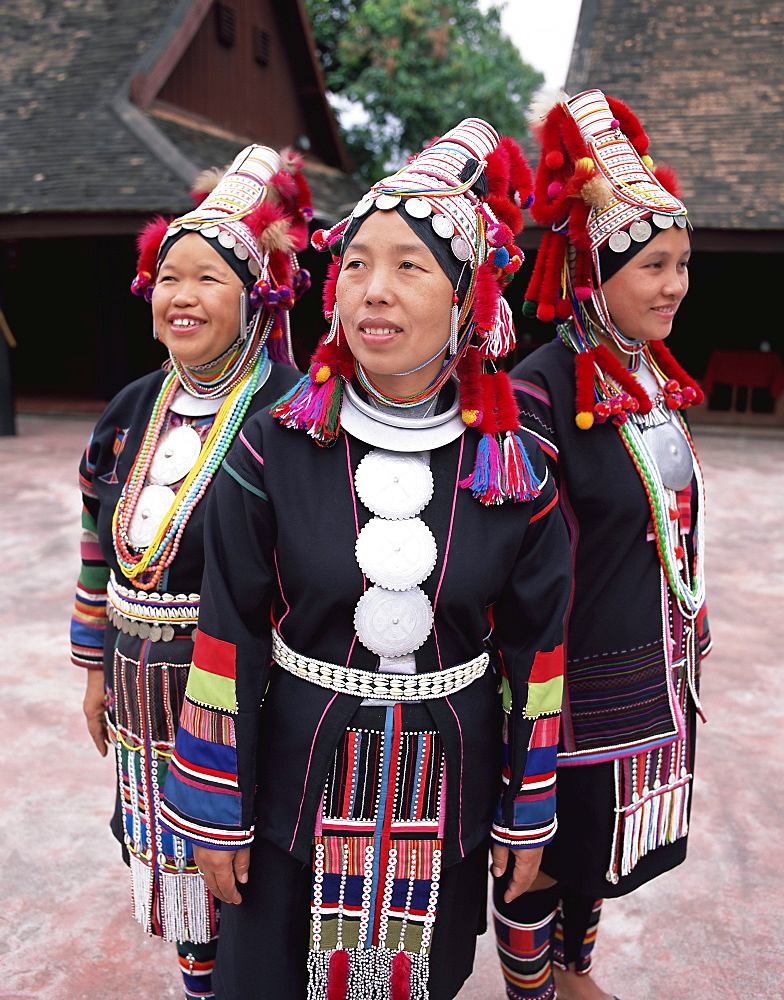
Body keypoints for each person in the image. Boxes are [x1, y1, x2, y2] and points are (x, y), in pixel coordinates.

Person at [160, 119, 573, 1000]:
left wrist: (527, 807)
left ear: (470, 300)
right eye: (355, 265)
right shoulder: (270, 451)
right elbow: (225, 632)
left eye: (410, 267)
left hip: (448, 795)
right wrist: (212, 806)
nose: (373, 291)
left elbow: (537, 655)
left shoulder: (517, 469)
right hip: (290, 798)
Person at [70, 144, 313, 1000]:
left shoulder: (290, 411)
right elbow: (99, 543)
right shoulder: (129, 408)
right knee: (172, 874)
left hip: (240, 695)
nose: (182, 295)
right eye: (170, 275)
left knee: (241, 873)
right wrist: (94, 663)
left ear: (253, 295)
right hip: (139, 685)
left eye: (208, 278)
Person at [492, 90, 711, 1000]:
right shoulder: (540, 395)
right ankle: (531, 986)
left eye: (684, 264)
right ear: (595, 270)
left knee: (599, 848)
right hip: (570, 677)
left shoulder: (649, 379)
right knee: (547, 852)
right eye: (655, 265)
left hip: (648, 654)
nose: (674, 285)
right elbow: (520, 570)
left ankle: (576, 969)